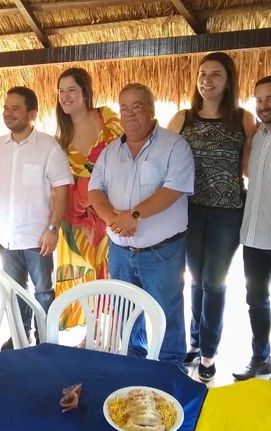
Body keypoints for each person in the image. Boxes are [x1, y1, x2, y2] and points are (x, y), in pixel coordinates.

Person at [89, 83, 194, 367]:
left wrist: (133, 216)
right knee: (126, 312)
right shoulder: (110, 152)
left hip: (161, 252)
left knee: (166, 312)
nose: (130, 114)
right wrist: (114, 220)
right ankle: (134, 365)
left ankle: (171, 370)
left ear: (151, 110)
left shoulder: (175, 146)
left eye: (137, 107)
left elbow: (173, 189)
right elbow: (95, 191)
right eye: (124, 108)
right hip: (120, 250)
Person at [168, 52, 257, 382]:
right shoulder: (183, 118)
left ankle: (208, 352)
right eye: (203, 74)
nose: (207, 80)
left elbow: (250, 169)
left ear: (229, 80)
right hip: (189, 210)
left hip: (228, 213)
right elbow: (164, 160)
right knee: (195, 280)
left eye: (215, 74)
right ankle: (195, 340)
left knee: (214, 283)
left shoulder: (243, 119)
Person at [0, 86, 72, 344]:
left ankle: (47, 342)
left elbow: (62, 189)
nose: (8, 113)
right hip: (5, 237)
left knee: (43, 292)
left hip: (38, 237)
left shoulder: (48, 146)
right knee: (15, 292)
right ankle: (21, 339)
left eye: (15, 108)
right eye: (5, 108)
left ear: (32, 114)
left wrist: (53, 229)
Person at [232, 75, 271, 383]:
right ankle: (261, 358)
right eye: (259, 100)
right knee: (256, 302)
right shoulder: (255, 138)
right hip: (253, 237)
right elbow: (246, 173)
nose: (264, 105)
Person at [54, 67, 123, 329]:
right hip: (75, 217)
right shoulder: (61, 135)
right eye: (61, 91)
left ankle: (114, 332)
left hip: (108, 208)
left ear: (85, 92)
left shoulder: (107, 118)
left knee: (111, 271)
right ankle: (92, 332)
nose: (65, 96)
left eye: (71, 90)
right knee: (84, 275)